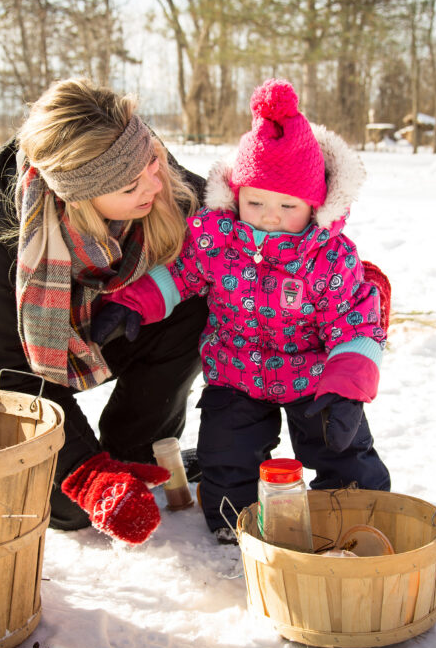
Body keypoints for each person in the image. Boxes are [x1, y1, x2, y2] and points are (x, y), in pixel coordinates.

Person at [93, 78, 391, 543]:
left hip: (315, 377)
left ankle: (354, 511)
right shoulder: (215, 237)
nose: (270, 216)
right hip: (236, 372)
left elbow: (355, 326)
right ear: (237, 194)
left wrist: (347, 390)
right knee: (225, 454)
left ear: (315, 205)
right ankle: (234, 525)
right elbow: (180, 275)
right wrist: (132, 304)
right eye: (256, 201)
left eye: (287, 205)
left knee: (340, 446)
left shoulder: (330, 257)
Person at [0, 77, 209, 546]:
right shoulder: (4, 230)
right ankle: (94, 471)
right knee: (71, 511)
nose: (155, 183)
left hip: (110, 322)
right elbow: (3, 371)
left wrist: (342, 278)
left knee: (196, 301)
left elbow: (257, 244)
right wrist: (88, 474)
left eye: (152, 162)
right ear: (80, 197)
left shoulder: (167, 185)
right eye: (130, 184)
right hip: (7, 355)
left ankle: (134, 452)